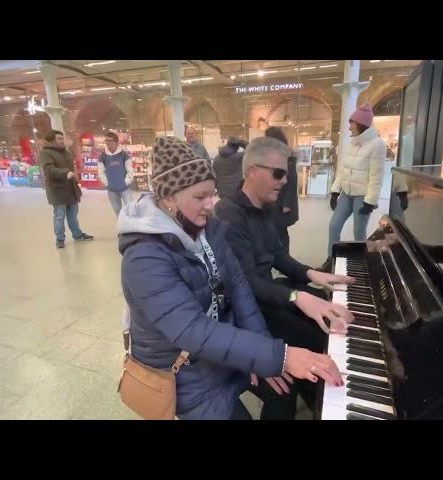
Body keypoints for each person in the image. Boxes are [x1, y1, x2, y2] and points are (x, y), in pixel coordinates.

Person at [119, 136, 343, 420]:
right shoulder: (144, 258)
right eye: (200, 197)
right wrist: (280, 356)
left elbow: (239, 291)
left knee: (284, 392)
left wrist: (262, 352)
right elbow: (193, 330)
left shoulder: (208, 229)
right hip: (184, 373)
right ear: (168, 198)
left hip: (223, 350)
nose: (211, 205)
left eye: (212, 194)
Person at [214, 136, 354, 415]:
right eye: (278, 173)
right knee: (313, 339)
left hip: (266, 296)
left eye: (286, 173)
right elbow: (244, 284)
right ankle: (317, 394)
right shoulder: (229, 214)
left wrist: (313, 274)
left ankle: (319, 397)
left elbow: (278, 255)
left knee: (325, 319)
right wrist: (295, 296)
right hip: (248, 308)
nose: (285, 180)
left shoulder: (266, 207)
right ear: (252, 171)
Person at [320, 102, 386, 272]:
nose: (349, 127)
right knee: (334, 225)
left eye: (351, 122)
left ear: (361, 124)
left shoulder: (377, 144)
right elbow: (343, 170)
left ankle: (362, 264)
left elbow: (376, 176)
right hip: (347, 194)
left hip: (362, 196)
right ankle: (331, 259)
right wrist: (335, 191)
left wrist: (370, 201)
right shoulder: (352, 143)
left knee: (359, 232)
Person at [40, 129, 94, 249]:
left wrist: (75, 179)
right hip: (57, 190)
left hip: (71, 189)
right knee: (59, 216)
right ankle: (60, 239)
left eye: (62, 138)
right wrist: (66, 173)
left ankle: (77, 234)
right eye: (59, 139)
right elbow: (49, 170)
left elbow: (71, 170)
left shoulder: (66, 152)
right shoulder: (45, 153)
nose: (61, 141)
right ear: (52, 140)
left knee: (73, 215)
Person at [265, 126, 299, 252]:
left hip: (283, 201)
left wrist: (287, 204)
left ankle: (284, 255)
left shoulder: (287, 156)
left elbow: (292, 181)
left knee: (281, 231)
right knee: (274, 229)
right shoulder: (275, 154)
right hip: (276, 199)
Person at [98, 131, 134, 217]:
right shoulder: (102, 156)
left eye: (110, 140)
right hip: (112, 190)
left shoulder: (124, 155)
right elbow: (101, 172)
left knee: (131, 210)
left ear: (116, 142)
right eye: (106, 140)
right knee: (118, 211)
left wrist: (127, 182)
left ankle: (132, 228)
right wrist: (107, 183)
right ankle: (122, 229)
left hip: (125, 189)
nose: (107, 143)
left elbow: (130, 170)